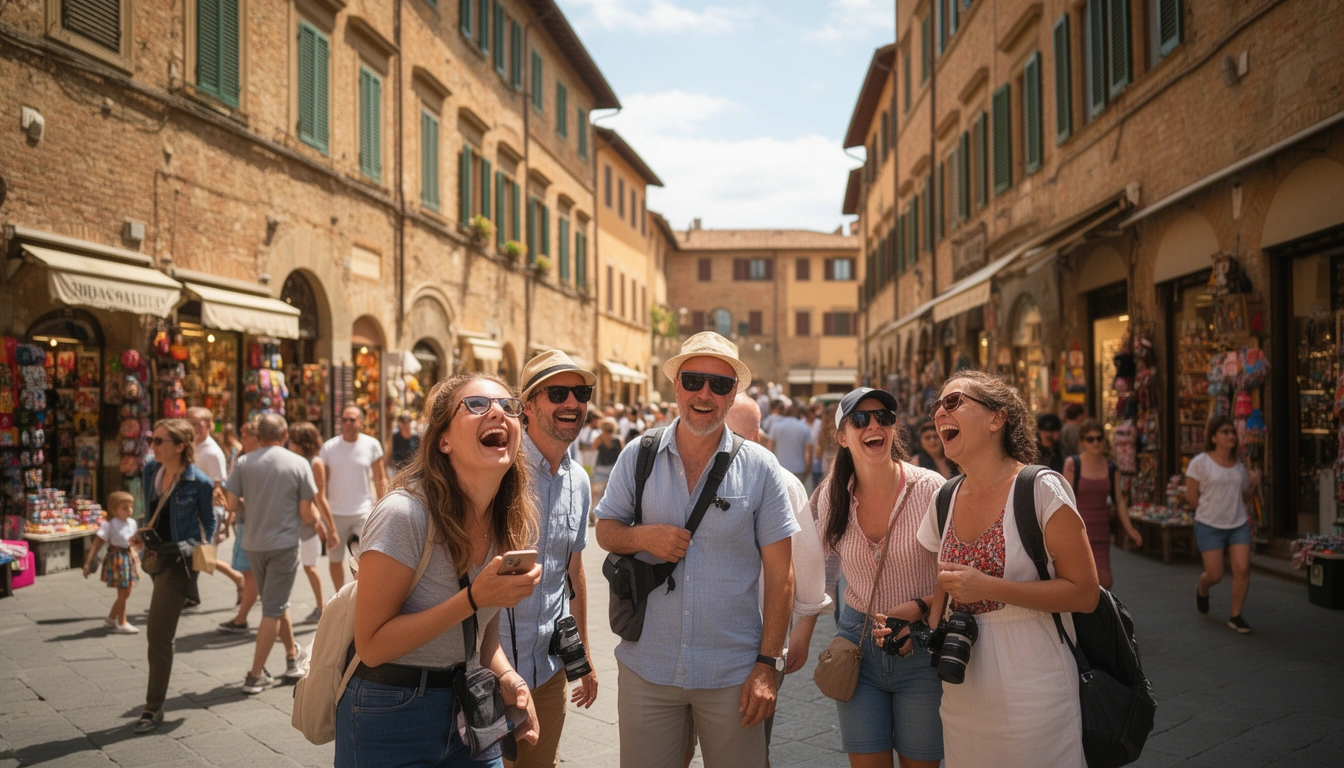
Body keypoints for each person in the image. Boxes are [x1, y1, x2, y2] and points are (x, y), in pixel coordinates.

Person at [596, 331, 798, 768]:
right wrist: (644, 537)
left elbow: (782, 574)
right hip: (648, 666)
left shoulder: (761, 468)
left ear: (733, 394)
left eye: (719, 384)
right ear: (676, 386)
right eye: (693, 381)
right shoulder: (638, 455)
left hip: (733, 672)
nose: (705, 394)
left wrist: (768, 665)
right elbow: (606, 530)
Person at [895, 370, 1099, 767]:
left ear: (996, 418)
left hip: (1034, 690)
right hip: (962, 689)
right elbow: (945, 595)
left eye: (953, 402)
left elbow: (1085, 593)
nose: (939, 413)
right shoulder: (945, 498)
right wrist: (918, 621)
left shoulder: (1041, 489)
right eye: (937, 406)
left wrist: (988, 587)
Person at [339, 372, 542, 767]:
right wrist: (473, 598)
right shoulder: (403, 514)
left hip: (470, 707)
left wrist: (508, 677)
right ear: (443, 441)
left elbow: (481, 633)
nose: (497, 412)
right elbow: (372, 645)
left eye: (508, 406)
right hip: (390, 713)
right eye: (477, 405)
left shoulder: (507, 519)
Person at [685, 393, 827, 766]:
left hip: (747, 647)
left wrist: (796, 638)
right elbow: (811, 569)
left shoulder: (780, 482)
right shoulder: (687, 474)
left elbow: (807, 567)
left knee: (741, 747)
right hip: (700, 642)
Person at [815, 388, 945, 768]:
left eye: (883, 417)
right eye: (860, 419)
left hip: (921, 645)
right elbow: (821, 568)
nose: (873, 425)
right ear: (842, 437)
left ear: (893, 427)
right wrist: (797, 639)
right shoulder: (832, 495)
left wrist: (920, 608)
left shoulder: (930, 489)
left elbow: (955, 572)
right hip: (858, 645)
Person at [502, 351, 600, 768]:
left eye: (581, 393)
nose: (572, 403)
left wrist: (584, 657)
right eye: (557, 393)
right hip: (492, 672)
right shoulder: (500, 469)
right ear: (527, 406)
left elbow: (572, 572)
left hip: (549, 669)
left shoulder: (579, 481)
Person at [223, 414, 323, 694]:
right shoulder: (298, 463)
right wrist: (318, 520)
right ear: (284, 435)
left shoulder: (244, 462)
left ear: (259, 435)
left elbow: (231, 504)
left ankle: (291, 657)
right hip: (283, 544)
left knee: (275, 601)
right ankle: (255, 675)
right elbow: (306, 512)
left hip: (253, 542)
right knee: (273, 608)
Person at [133, 418, 217, 734]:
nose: (152, 446)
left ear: (180, 446)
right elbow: (150, 510)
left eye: (159, 441)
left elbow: (209, 523)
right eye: (151, 440)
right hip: (155, 557)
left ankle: (153, 707)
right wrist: (142, 531)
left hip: (180, 562)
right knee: (160, 633)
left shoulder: (199, 482)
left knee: (157, 634)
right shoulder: (151, 471)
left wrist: (198, 549)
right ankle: (155, 704)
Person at [1186, 415, 1261, 634]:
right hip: (1209, 525)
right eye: (1225, 432)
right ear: (1213, 437)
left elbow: (1244, 497)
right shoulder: (1200, 462)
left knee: (1242, 569)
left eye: (1232, 432)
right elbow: (1191, 496)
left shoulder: (1239, 466)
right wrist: (1208, 512)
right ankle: (1202, 588)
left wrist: (1254, 484)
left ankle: (1236, 616)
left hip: (1238, 524)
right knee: (1215, 574)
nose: (1230, 436)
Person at [1062, 419, 1142, 589]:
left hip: (1101, 533)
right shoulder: (1072, 465)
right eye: (1090, 439)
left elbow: (1119, 500)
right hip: (1077, 534)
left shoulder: (1111, 467)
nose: (1096, 443)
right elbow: (1064, 500)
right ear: (1082, 442)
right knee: (1080, 582)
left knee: (1105, 581)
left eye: (1099, 438)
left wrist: (1130, 529)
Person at [321, 406, 389, 592]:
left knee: (367, 557)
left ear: (361, 422)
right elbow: (322, 484)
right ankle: (340, 596)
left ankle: (362, 594)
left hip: (363, 512)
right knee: (335, 559)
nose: (347, 424)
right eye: (344, 420)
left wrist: (382, 505)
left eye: (352, 420)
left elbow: (380, 477)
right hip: (335, 513)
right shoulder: (329, 447)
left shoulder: (372, 444)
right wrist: (322, 515)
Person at [186, 407, 245, 606]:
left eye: (197, 424)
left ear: (209, 425)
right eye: (189, 422)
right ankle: (189, 595)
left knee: (204, 557)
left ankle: (239, 579)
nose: (193, 427)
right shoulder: (194, 446)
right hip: (196, 510)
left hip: (207, 511)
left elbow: (218, 487)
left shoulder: (211, 452)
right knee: (196, 556)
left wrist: (222, 521)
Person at [289, 421, 340, 622]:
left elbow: (320, 497)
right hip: (292, 519)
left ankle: (321, 607)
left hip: (309, 521)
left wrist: (330, 527)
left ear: (302, 442)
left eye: (293, 440)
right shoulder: (293, 460)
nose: (289, 443)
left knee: (309, 565)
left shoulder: (315, 462)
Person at [218, 422, 260, 634]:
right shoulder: (242, 458)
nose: (242, 437)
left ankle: (241, 618)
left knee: (252, 574)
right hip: (245, 522)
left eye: (246, 434)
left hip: (253, 524)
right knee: (250, 572)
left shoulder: (248, 461)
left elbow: (232, 501)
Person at [82, 490, 140, 634]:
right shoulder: (109, 525)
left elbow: (132, 542)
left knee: (126, 592)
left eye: (131, 507)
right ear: (114, 510)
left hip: (128, 557)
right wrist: (88, 562)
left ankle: (111, 618)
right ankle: (122, 622)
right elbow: (96, 544)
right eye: (124, 508)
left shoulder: (132, 523)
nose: (129, 510)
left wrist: (136, 551)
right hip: (117, 558)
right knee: (123, 592)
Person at [765, 404, 812, 486]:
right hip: (799, 468)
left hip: (779, 468)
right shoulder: (805, 428)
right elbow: (808, 451)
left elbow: (769, 447)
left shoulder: (775, 426)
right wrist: (808, 469)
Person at [590, 418, 623, 512]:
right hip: (614, 470)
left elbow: (593, 449)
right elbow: (623, 454)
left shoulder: (598, 439)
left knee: (597, 495)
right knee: (612, 495)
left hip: (600, 469)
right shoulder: (618, 439)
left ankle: (594, 513)